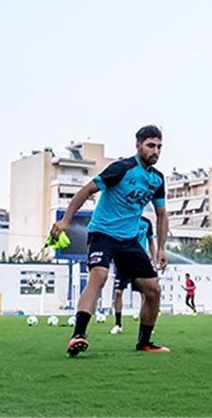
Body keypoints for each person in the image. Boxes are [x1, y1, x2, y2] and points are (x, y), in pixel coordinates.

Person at [50, 125, 170, 356]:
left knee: (153, 289)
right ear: (138, 145)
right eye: (150, 146)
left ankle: (145, 343)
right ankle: (78, 335)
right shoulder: (122, 168)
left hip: (129, 239)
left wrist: (161, 248)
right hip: (103, 233)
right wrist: (65, 221)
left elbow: (162, 214)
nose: (155, 151)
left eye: (159, 147)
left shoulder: (157, 179)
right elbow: (85, 191)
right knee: (99, 276)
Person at [111, 216, 156, 335]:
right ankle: (118, 324)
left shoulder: (146, 222)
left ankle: (145, 326)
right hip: (123, 260)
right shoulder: (125, 219)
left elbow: (151, 241)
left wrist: (154, 257)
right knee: (118, 292)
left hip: (140, 261)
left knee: (145, 294)